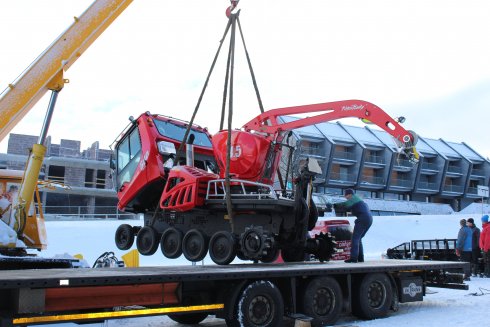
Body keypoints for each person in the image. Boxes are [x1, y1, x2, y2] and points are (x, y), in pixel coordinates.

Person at [339, 189, 373, 263]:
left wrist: (333, 205)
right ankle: (360, 258)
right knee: (359, 238)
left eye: (346, 195)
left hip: (362, 219)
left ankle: (353, 258)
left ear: (349, 194)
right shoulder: (358, 199)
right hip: (369, 219)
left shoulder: (353, 199)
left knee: (355, 238)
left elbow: (344, 206)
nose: (345, 197)